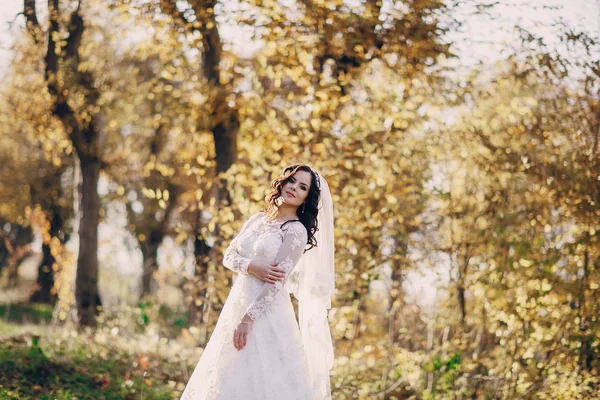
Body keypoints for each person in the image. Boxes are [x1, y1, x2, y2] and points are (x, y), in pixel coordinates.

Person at [180, 164, 335, 400]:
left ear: (307, 198)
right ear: (282, 182)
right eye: (292, 181)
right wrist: (253, 267)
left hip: (266, 314)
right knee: (227, 375)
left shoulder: (295, 231)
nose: (294, 188)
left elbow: (276, 283)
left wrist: (247, 320)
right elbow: (229, 256)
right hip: (237, 303)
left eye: (302, 187)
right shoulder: (257, 220)